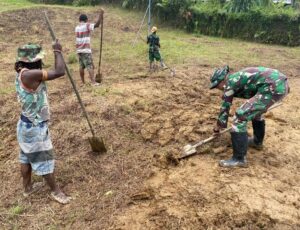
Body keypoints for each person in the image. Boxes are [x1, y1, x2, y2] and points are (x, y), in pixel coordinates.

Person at [15, 41, 71, 204]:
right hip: (34, 127)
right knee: (44, 159)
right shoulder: (30, 75)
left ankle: (27, 188)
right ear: (34, 61)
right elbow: (60, 71)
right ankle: (56, 191)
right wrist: (57, 51)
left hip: (25, 124)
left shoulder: (22, 72)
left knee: (26, 157)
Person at [210, 66, 289, 168]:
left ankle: (239, 159)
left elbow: (225, 107)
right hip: (278, 85)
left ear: (221, 81)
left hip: (272, 87)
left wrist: (218, 127)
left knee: (240, 116)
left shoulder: (230, 83)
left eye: (217, 86)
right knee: (255, 113)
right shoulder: (235, 78)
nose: (218, 88)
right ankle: (257, 142)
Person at [75, 10, 104, 86]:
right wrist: (100, 16)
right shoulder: (87, 25)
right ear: (86, 20)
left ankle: (83, 82)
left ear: (79, 20)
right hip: (85, 49)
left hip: (79, 50)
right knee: (89, 65)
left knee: (81, 66)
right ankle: (93, 82)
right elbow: (97, 25)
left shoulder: (77, 28)